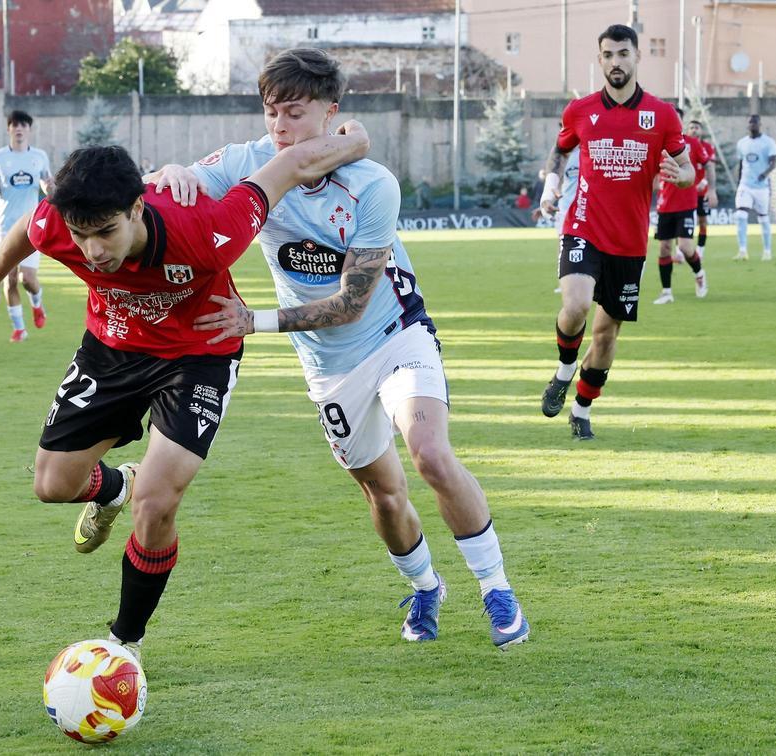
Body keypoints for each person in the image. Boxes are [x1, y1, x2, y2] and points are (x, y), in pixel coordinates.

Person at [153, 47, 530, 649]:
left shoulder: (372, 184)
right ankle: (427, 587)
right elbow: (183, 187)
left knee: (430, 454)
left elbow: (352, 303)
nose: (280, 129)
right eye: (272, 113)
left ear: (332, 114)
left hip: (395, 336)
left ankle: (497, 589)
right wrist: (174, 174)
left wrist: (256, 321)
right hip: (328, 368)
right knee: (382, 491)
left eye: (295, 114)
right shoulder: (250, 162)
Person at [0, 134, 369, 661]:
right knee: (51, 485)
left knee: (156, 502)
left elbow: (289, 164)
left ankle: (123, 642)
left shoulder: (205, 230)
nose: (94, 251)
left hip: (199, 355)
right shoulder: (62, 222)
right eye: (82, 236)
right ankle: (113, 487)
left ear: (137, 208)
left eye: (107, 232)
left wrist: (355, 139)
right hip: (111, 350)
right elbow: (29, 229)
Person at [538, 24, 693, 441]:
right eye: (607, 55)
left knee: (605, 338)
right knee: (575, 307)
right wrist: (551, 188)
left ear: (637, 56)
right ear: (600, 60)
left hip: (628, 243)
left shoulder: (662, 115)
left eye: (623, 53)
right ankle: (564, 370)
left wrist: (680, 176)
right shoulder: (581, 110)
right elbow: (560, 149)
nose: (615, 62)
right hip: (583, 227)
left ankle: (582, 410)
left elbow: (689, 168)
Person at [0, 110, 54, 343]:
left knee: (27, 278)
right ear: (8, 129)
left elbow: (48, 185)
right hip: (6, 226)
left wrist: (50, 189)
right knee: (9, 279)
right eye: (14, 125)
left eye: (23, 125)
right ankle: (19, 328)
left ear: (29, 129)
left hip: (32, 224)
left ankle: (37, 304)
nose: (19, 129)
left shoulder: (39, 156)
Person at [652, 108, 709, 305]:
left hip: (686, 202)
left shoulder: (691, 143)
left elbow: (707, 163)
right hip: (664, 204)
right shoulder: (656, 143)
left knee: (685, 247)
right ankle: (667, 292)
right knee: (664, 249)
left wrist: (712, 188)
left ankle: (699, 273)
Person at [533, 146, 580, 294]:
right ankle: (564, 283)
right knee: (563, 246)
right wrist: (546, 202)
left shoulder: (588, 149)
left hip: (586, 209)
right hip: (565, 208)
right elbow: (557, 184)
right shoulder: (563, 155)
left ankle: (587, 280)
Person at [734, 114, 776, 261]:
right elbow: (741, 164)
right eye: (750, 123)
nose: (752, 125)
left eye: (755, 123)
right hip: (745, 185)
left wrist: (764, 175)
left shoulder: (768, 142)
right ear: (747, 125)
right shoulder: (742, 143)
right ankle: (742, 250)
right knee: (740, 215)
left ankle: (767, 251)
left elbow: (773, 162)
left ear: (760, 125)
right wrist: (739, 181)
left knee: (763, 218)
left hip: (761, 187)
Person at [685, 120, 718, 258]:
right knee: (683, 219)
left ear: (701, 131)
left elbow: (710, 167)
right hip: (686, 191)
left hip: (701, 191)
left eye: (697, 127)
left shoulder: (708, 147)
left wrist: (704, 183)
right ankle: (682, 251)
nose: (694, 130)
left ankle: (700, 249)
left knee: (702, 220)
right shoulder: (683, 146)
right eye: (691, 127)